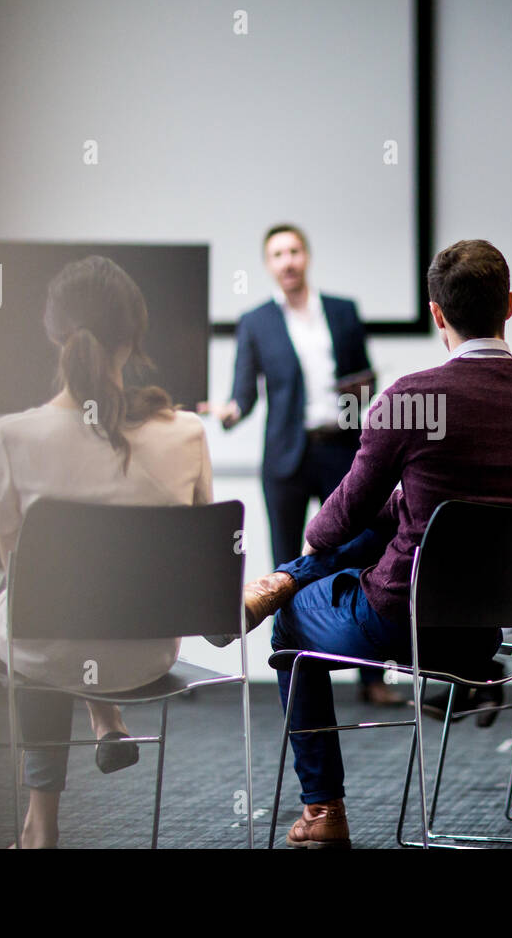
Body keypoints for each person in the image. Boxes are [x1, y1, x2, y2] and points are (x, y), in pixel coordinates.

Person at [239, 239, 512, 847]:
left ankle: (323, 811)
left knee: (289, 623)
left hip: (405, 617)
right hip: (489, 627)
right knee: (392, 520)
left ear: (436, 314)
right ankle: (285, 578)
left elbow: (329, 526)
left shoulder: (411, 400)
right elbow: (465, 509)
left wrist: (310, 554)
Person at [0, 255, 213, 848]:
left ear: (56, 333)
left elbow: (16, 570)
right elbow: (203, 543)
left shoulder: (9, 437)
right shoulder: (186, 434)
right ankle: (107, 718)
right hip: (146, 654)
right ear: (133, 335)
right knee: (56, 615)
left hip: (47, 647)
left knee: (31, 619)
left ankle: (41, 828)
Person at [200, 224, 398, 705]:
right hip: (287, 457)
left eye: (293, 251)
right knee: (290, 562)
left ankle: (371, 680)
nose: (287, 261)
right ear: (268, 265)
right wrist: (228, 412)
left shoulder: (343, 312)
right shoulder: (256, 321)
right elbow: (243, 393)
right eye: (277, 254)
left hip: (341, 450)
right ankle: (298, 676)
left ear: (306, 256)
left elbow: (362, 382)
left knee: (357, 553)